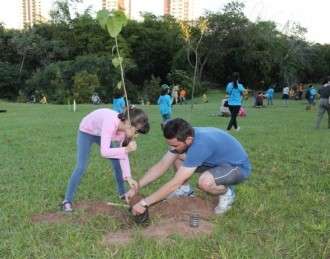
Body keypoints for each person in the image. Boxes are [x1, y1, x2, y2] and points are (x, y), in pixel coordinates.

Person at [126, 118, 251, 215]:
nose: (172, 148)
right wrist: (137, 186)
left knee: (204, 182)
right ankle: (185, 190)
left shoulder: (200, 145)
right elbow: (161, 166)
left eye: (175, 145)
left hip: (237, 167)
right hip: (214, 162)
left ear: (189, 140)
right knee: (178, 155)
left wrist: (144, 203)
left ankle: (227, 193)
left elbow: (174, 183)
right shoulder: (186, 136)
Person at [61, 107, 150, 212]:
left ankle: (122, 193)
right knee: (81, 166)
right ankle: (67, 201)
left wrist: (128, 177)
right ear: (128, 123)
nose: (136, 134)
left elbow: (122, 155)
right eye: (136, 130)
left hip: (102, 133)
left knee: (117, 162)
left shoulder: (123, 132)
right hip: (87, 131)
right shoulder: (111, 122)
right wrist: (126, 149)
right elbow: (104, 152)